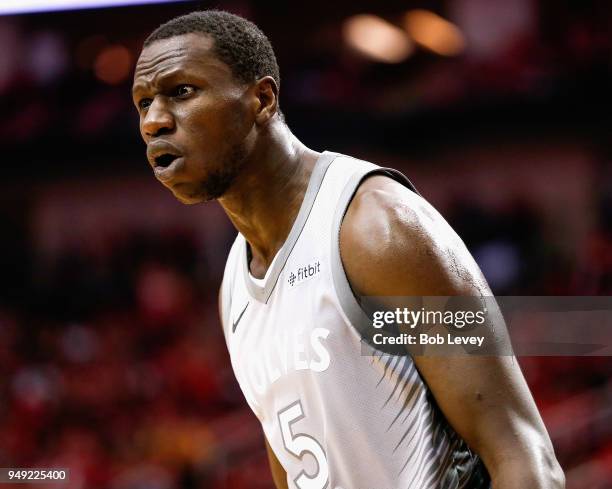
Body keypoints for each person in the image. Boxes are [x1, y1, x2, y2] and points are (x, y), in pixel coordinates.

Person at [132, 10, 565, 489]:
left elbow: (524, 458)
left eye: (182, 92)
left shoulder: (374, 228)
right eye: (143, 102)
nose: (154, 121)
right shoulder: (235, 286)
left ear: (261, 98)